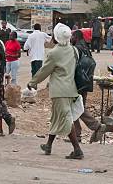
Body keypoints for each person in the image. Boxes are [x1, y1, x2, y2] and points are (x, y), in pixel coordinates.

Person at [29, 24, 83, 159]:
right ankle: (48, 145)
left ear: (56, 37)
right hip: (71, 89)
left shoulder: (54, 53)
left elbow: (44, 71)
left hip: (59, 91)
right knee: (56, 118)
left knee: (65, 119)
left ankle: (77, 149)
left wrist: (32, 82)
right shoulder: (74, 50)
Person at [71, 29, 106, 143]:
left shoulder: (76, 49)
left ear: (76, 37)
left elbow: (73, 66)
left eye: (72, 36)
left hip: (78, 83)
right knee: (77, 107)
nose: (70, 38)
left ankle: (96, 126)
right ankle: (77, 135)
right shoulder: (86, 48)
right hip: (86, 83)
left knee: (76, 107)